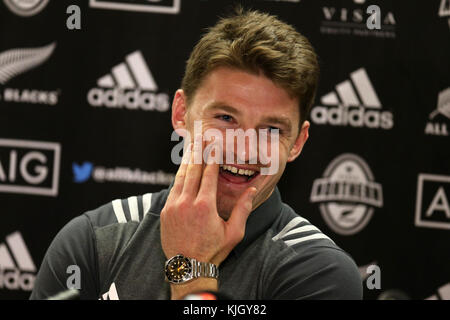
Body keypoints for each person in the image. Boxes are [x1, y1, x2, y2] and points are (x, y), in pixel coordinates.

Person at [30, 8, 362, 300]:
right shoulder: (94, 240)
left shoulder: (319, 273)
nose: (245, 149)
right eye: (225, 118)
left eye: (271, 130)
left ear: (297, 143)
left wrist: (191, 268)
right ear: (180, 114)